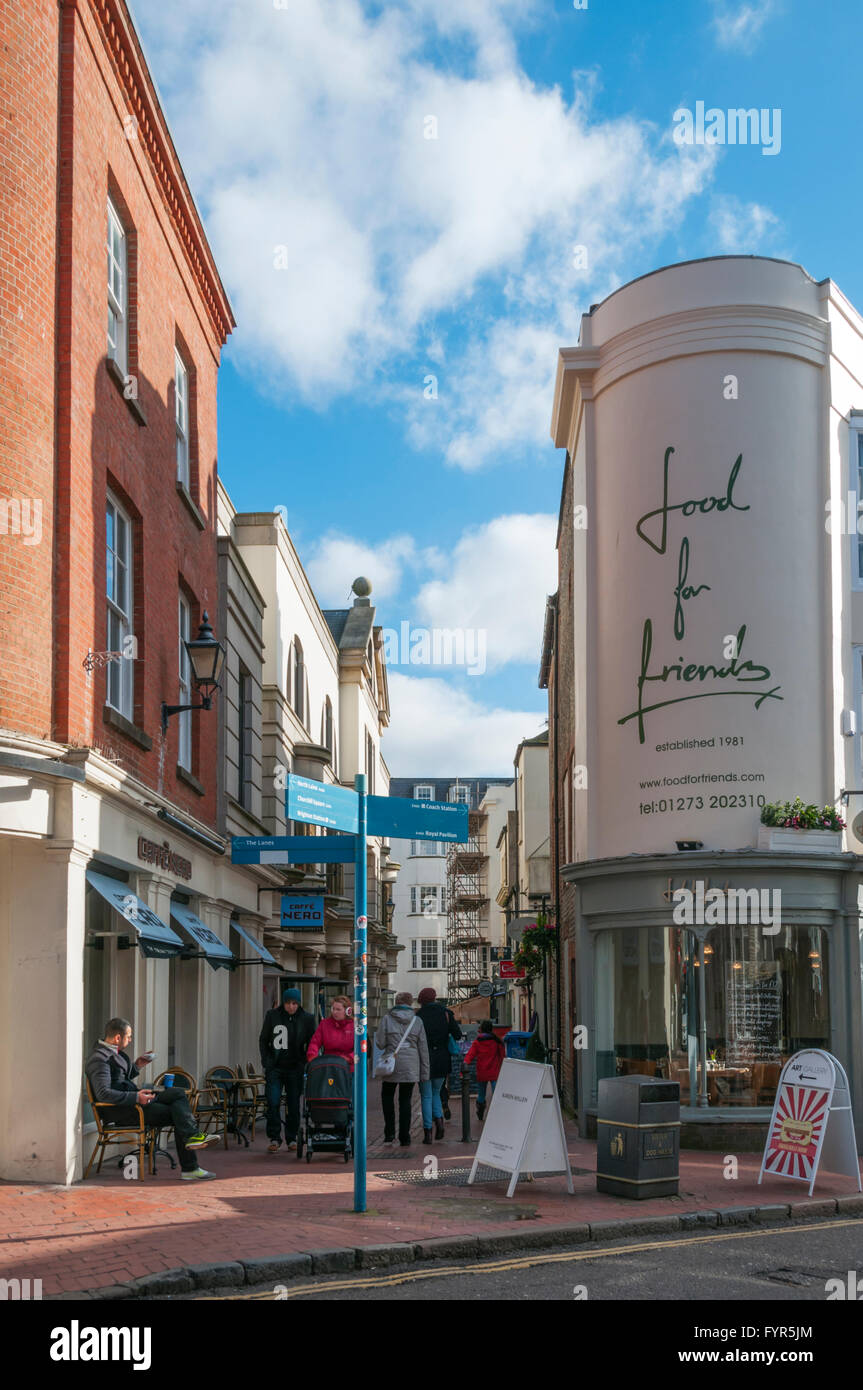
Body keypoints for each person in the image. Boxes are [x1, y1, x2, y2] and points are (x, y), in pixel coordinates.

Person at [85, 1018, 220, 1180]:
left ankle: (192, 1139)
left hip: (133, 1103)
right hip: (124, 1110)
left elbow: (119, 1079)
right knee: (179, 1115)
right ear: (117, 1038)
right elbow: (103, 1093)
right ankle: (190, 1166)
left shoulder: (112, 1054)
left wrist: (137, 1066)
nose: (130, 1040)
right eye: (129, 1037)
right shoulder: (100, 1059)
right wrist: (136, 1097)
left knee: (177, 1093)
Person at [259, 987, 316, 1154]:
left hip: (295, 1068)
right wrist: (267, 1061)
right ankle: (275, 1137)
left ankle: (292, 1138)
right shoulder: (272, 1016)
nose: (291, 1006)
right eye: (287, 1003)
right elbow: (263, 1040)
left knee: (293, 1104)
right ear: (283, 1003)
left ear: (298, 1003)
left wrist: (305, 1062)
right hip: (275, 1068)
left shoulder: (307, 1019)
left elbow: (312, 1042)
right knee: (273, 1101)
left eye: (294, 1003)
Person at [374, 992, 429, 1147]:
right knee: (405, 1100)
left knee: (387, 1097)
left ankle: (389, 1133)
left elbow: (380, 1043)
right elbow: (423, 1048)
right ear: (410, 1003)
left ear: (396, 1002)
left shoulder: (386, 1019)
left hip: (391, 1064)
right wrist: (425, 1073)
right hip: (411, 1065)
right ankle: (405, 1136)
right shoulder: (417, 1021)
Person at [416, 987, 461, 1143]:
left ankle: (428, 1132)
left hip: (424, 1060)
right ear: (435, 998)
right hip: (442, 1058)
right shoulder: (446, 1013)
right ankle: (440, 1123)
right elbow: (458, 1034)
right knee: (436, 1093)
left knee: (426, 1096)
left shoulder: (419, 1016)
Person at [464, 1020, 505, 1121]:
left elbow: (470, 1055)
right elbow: (502, 1056)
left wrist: (464, 1066)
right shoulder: (497, 1041)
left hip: (482, 1072)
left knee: (481, 1093)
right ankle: (498, 1113)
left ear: (481, 1029)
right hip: (494, 1072)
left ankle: (481, 1110)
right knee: (496, 1093)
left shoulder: (477, 1042)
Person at [307, 994, 355, 1069]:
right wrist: (312, 1057)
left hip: (349, 1068)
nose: (334, 1012)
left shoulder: (355, 1026)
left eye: (338, 1009)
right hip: (328, 1066)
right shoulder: (325, 1024)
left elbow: (360, 1048)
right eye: (333, 1009)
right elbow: (315, 1043)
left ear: (347, 1011)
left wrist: (348, 1058)